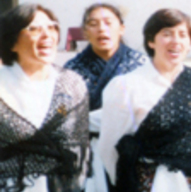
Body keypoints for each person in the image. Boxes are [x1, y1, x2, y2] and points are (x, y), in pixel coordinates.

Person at [98, 8, 191, 192]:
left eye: (183, 35)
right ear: (151, 41)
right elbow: (108, 149)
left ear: (190, 43)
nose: (176, 41)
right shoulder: (126, 85)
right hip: (147, 184)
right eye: (166, 34)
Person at [0, 4, 90, 191]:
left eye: (51, 27)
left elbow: (81, 149)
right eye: (34, 29)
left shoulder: (72, 83)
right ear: (12, 42)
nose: (47, 35)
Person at [62, 4, 149, 191]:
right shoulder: (71, 70)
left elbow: (147, 110)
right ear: (85, 31)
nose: (102, 29)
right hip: (89, 152)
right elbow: (64, 115)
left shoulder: (142, 65)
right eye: (93, 24)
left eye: (108, 23)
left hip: (134, 150)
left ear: (121, 28)